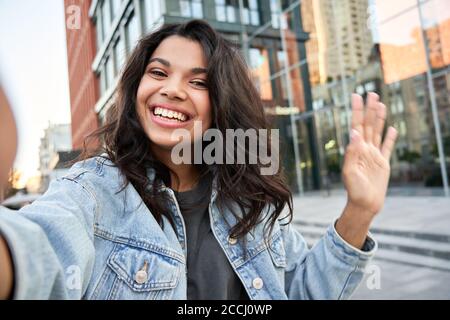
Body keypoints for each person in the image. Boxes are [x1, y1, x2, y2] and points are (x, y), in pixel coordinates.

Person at [0, 20, 398, 300]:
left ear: (221, 105)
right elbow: (41, 249)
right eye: (158, 72)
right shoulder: (91, 191)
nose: (171, 90)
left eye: (197, 81)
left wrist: (359, 210)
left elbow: (302, 292)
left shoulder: (250, 203)